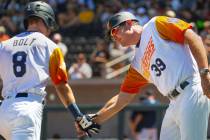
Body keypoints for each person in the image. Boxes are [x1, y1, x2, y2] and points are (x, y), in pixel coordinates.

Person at [77, 11, 210, 139]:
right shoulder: (136, 64)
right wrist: (95, 118)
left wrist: (205, 74)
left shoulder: (156, 24)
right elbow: (122, 98)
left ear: (128, 23)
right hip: (173, 102)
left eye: (114, 31)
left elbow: (194, 38)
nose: (114, 37)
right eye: (111, 36)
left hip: (191, 88)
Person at [0, 1, 100, 140]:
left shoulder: (3, 45)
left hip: (4, 110)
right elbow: (61, 86)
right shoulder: (50, 46)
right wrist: (78, 116)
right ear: (46, 20)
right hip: (27, 109)